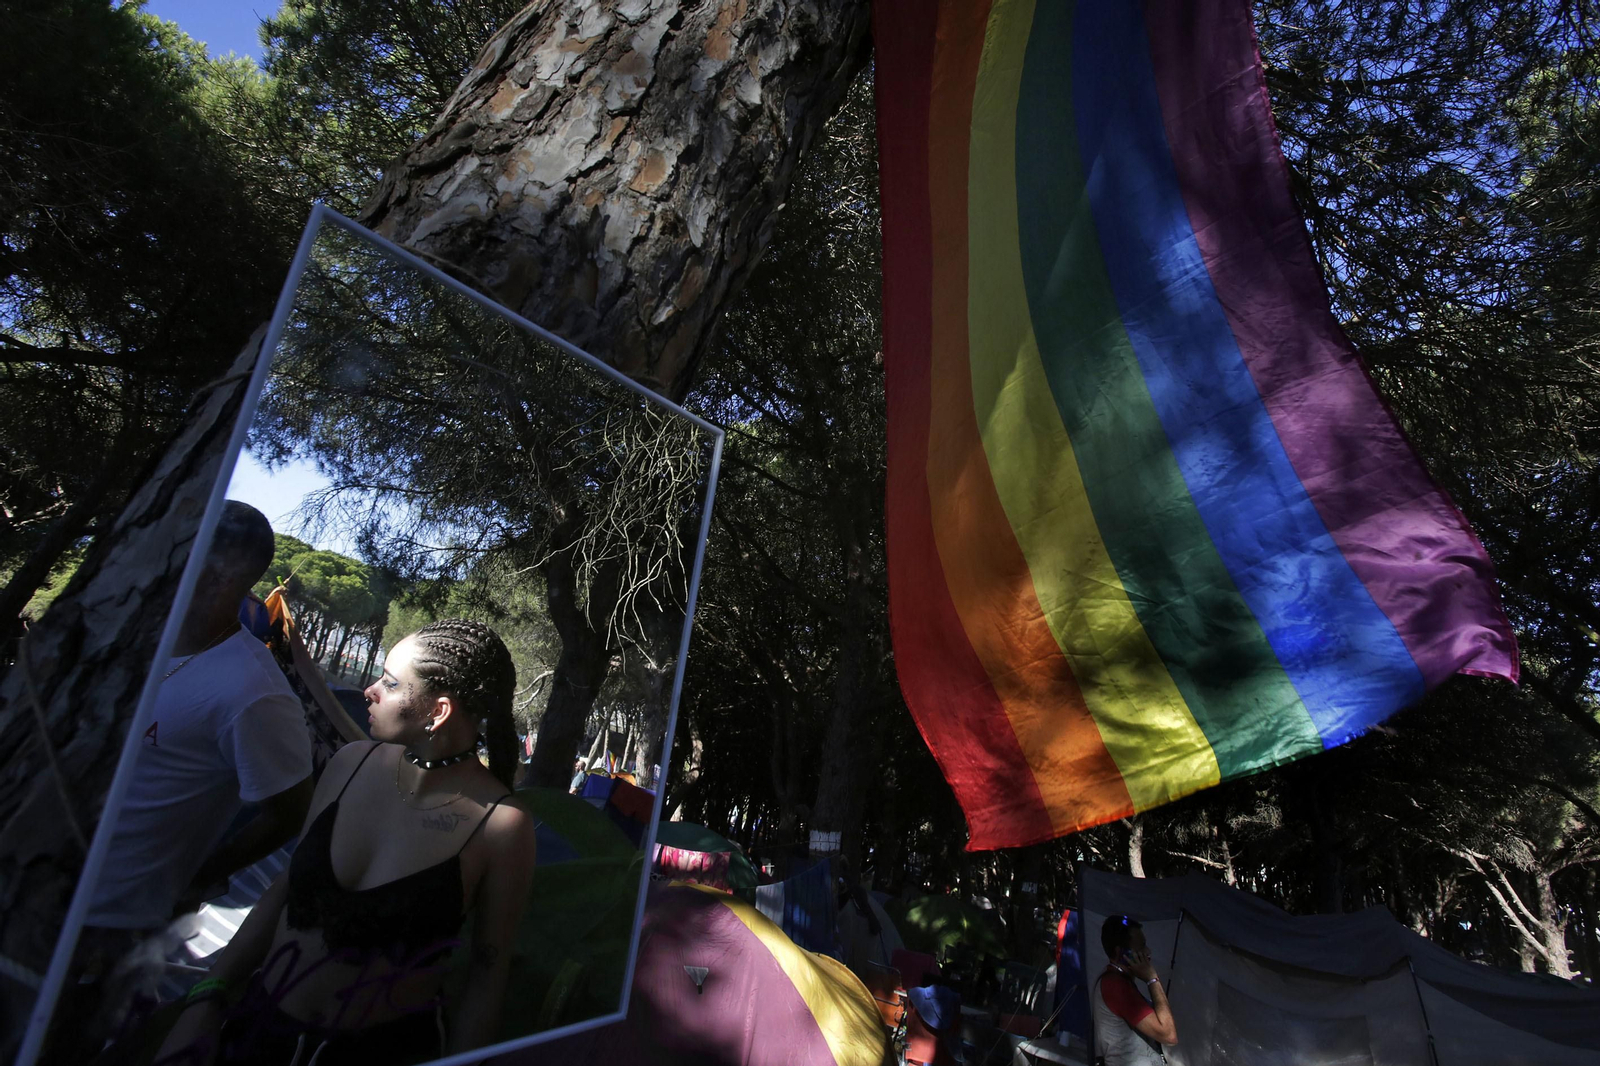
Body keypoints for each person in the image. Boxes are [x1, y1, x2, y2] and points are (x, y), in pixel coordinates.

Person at [157, 619, 538, 1066]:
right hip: (257, 1033)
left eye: (391, 683)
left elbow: (486, 977)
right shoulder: (350, 765)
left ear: (438, 712)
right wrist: (208, 996)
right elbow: (284, 890)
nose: (370, 690)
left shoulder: (501, 826)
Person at [85, 501, 314, 947]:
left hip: (111, 925)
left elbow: (289, 813)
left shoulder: (253, 691)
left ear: (218, 576)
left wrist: (195, 882)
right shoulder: (130, 638)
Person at [1092, 915, 1177, 1066]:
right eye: (1141, 947)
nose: (1148, 952)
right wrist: (1152, 978)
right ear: (1120, 953)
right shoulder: (1115, 986)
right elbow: (1168, 1034)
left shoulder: (1119, 981)